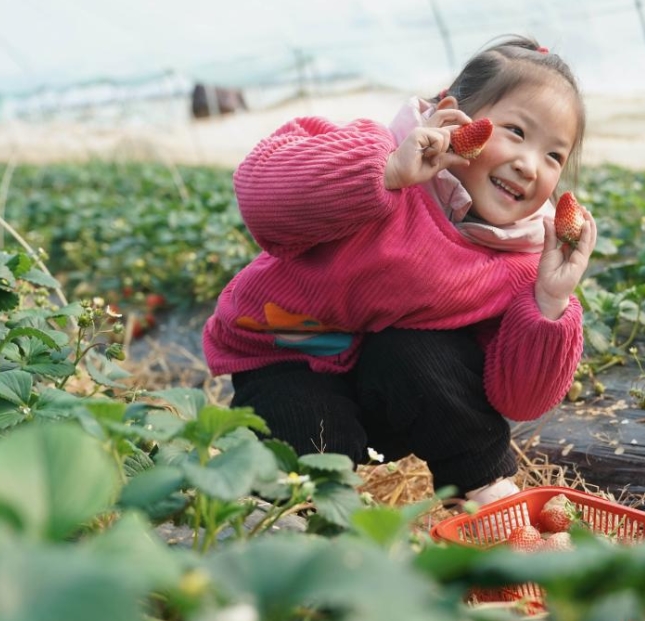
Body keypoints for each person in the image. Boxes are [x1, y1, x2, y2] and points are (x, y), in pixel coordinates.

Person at [202, 35, 597, 505]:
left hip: (394, 390)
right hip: (289, 350)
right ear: (453, 118)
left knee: (418, 353)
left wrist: (549, 301)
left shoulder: (521, 260)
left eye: (554, 156)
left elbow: (520, 401)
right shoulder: (378, 153)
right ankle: (310, 505)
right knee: (305, 451)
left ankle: (482, 488)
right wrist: (385, 172)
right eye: (516, 131)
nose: (530, 165)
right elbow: (261, 197)